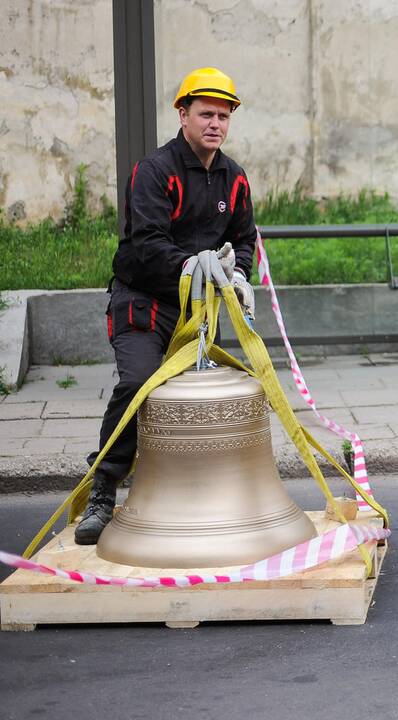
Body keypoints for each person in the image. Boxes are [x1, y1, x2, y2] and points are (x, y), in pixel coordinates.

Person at [75, 67, 258, 544]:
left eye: (224, 115)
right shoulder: (155, 172)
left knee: (199, 404)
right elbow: (149, 243)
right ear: (183, 114)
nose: (215, 123)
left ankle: (195, 498)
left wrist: (238, 273)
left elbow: (243, 239)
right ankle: (104, 491)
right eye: (206, 114)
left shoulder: (234, 179)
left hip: (200, 308)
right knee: (139, 386)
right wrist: (193, 265)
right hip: (144, 302)